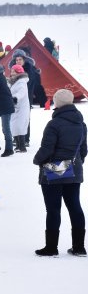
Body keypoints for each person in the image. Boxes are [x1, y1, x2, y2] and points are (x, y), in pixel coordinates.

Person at [32, 89, 86, 257]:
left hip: (54, 172)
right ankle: (79, 247)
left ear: (58, 103)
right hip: (74, 170)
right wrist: (75, 164)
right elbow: (83, 150)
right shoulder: (81, 123)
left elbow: (47, 149)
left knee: (53, 209)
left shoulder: (54, 124)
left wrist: (37, 160)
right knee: (75, 207)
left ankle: (51, 248)